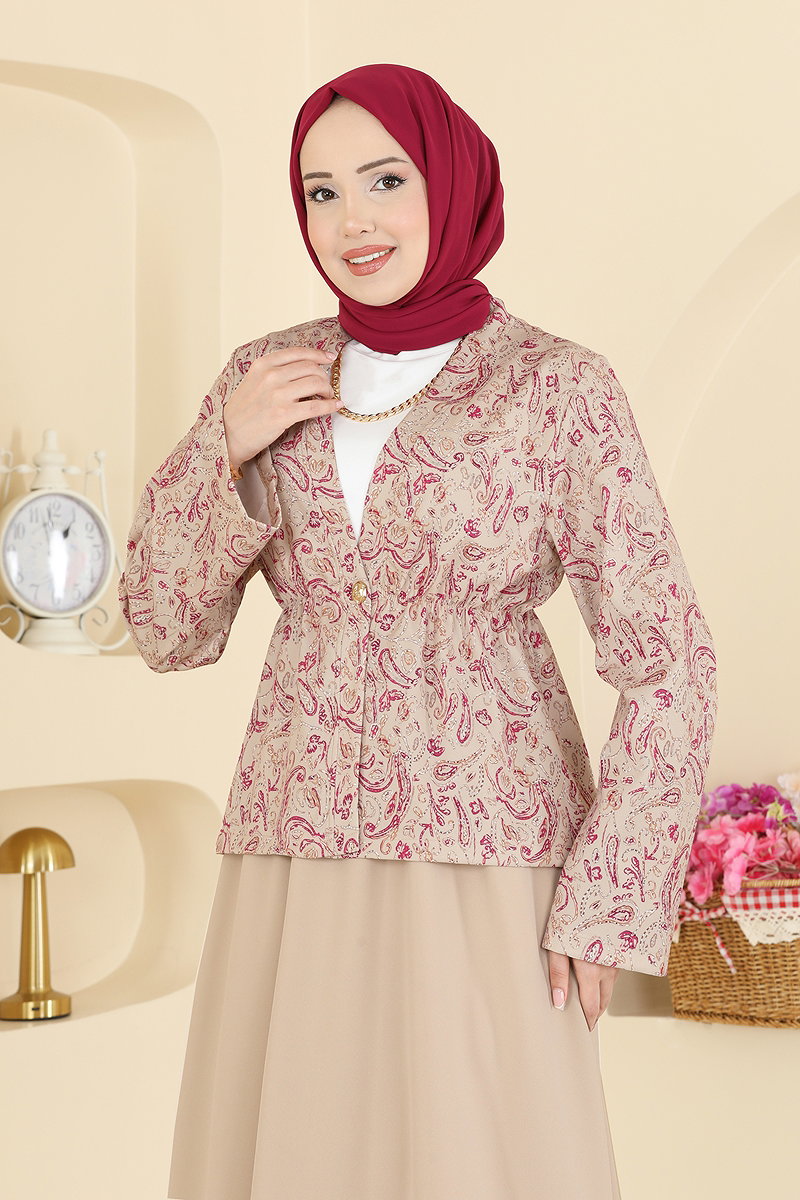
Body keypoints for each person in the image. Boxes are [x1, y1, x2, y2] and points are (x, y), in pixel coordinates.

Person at [118, 63, 717, 1200]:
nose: (353, 220)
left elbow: (668, 660)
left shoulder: (557, 388)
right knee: (294, 1149)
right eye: (322, 192)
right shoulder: (266, 375)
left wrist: (610, 899)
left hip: (488, 842)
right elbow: (163, 627)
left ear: (451, 182)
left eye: (385, 180)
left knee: (481, 1153)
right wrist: (223, 449)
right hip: (295, 843)